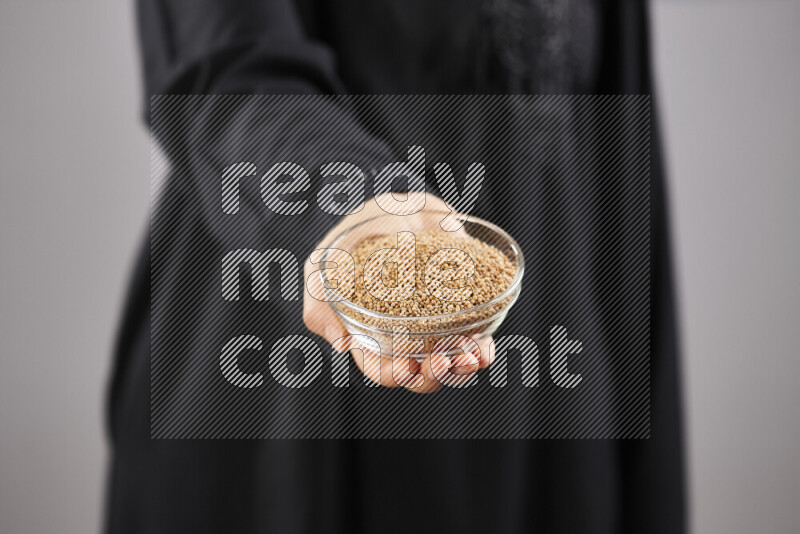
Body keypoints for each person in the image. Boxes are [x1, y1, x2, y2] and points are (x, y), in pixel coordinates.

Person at [105, 0, 685, 532]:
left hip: (544, 435)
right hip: (280, 416)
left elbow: (624, 180)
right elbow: (232, 71)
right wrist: (359, 216)